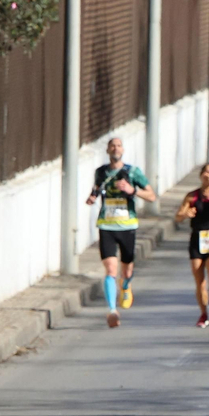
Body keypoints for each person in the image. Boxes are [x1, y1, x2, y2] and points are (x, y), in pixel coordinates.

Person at [85, 137, 157, 328]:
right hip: (106, 226)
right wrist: (92, 197)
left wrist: (132, 190)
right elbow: (96, 189)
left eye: (118, 146)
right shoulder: (101, 172)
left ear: (123, 150)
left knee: (127, 270)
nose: (115, 149)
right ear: (108, 150)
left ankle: (125, 286)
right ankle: (112, 310)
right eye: (112, 146)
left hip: (127, 226)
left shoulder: (133, 172)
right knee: (110, 269)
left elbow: (151, 196)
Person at [174, 163, 209, 328]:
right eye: (206, 172)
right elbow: (178, 216)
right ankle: (203, 313)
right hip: (197, 239)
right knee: (200, 281)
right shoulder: (192, 196)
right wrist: (185, 214)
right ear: (200, 175)